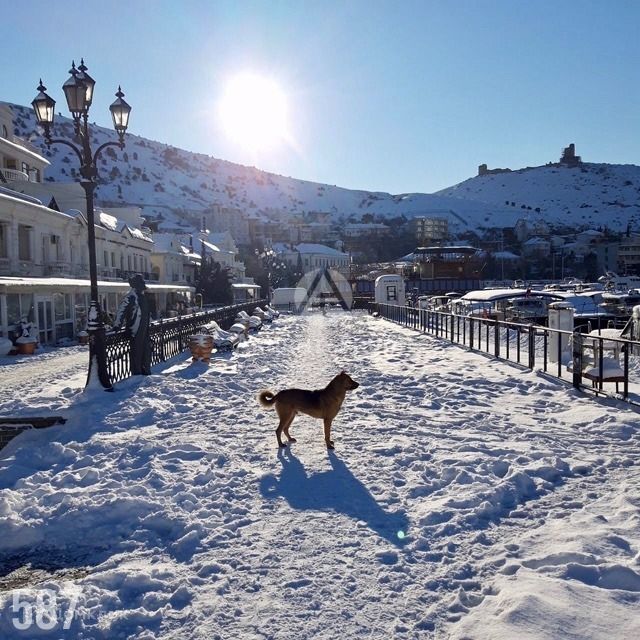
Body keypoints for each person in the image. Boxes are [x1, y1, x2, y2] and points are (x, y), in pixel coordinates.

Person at [113, 274, 152, 375]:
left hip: (145, 330)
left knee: (146, 352)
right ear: (136, 285)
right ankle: (137, 374)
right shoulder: (130, 297)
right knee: (137, 354)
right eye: (141, 283)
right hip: (135, 330)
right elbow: (121, 311)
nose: (143, 286)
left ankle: (146, 371)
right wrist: (117, 326)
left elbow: (146, 313)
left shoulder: (142, 297)